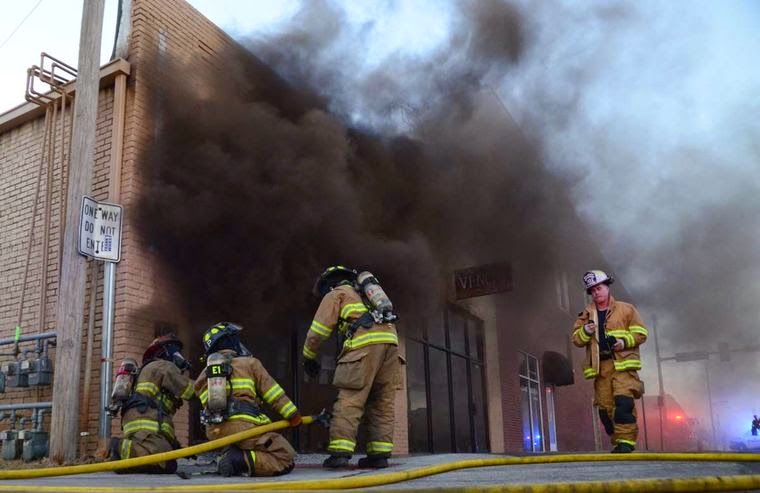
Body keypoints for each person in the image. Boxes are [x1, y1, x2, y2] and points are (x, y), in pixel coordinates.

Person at [302, 265, 402, 469]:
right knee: (382, 402)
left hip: (364, 347)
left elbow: (317, 332)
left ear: (329, 283)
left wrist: (309, 357)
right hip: (391, 347)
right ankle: (379, 456)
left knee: (350, 400)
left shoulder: (337, 294)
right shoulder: (367, 296)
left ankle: (340, 454)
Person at [195, 322, 301, 477]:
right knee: (285, 458)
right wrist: (293, 415)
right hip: (244, 428)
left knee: (240, 441)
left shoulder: (204, 375)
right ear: (230, 341)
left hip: (215, 432)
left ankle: (230, 454)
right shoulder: (250, 364)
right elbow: (274, 394)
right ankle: (237, 459)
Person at [571, 270, 648, 453]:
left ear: (607, 287)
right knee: (605, 411)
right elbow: (576, 340)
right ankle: (618, 439)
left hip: (623, 366)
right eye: (592, 290)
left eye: (599, 288)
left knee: (623, 404)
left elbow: (641, 334)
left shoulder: (626, 309)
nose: (596, 293)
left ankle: (626, 443)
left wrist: (623, 342)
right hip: (601, 368)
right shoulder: (586, 315)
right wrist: (586, 331)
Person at [109, 334, 194, 473]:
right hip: (146, 425)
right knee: (164, 464)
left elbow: (158, 410)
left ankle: (126, 457)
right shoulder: (163, 365)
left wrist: (175, 445)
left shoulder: (143, 372)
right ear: (165, 351)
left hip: (139, 426)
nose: (179, 356)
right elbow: (189, 391)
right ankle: (118, 448)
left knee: (167, 463)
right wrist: (212, 386)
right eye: (175, 351)